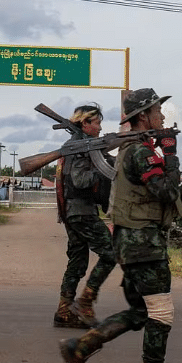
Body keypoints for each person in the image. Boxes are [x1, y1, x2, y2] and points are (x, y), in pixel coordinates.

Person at [59, 88, 182, 363]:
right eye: (158, 111)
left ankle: (80, 347)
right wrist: (170, 155)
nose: (162, 116)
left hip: (133, 244)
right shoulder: (142, 153)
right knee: (161, 312)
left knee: (141, 311)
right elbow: (168, 193)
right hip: (144, 244)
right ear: (143, 116)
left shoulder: (136, 149)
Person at [54, 104, 116, 329]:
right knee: (111, 253)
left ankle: (64, 311)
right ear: (85, 124)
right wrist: (104, 167)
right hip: (81, 212)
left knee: (78, 261)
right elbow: (80, 181)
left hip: (74, 212)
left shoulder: (83, 146)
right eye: (97, 123)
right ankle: (85, 301)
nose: (100, 128)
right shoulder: (80, 147)